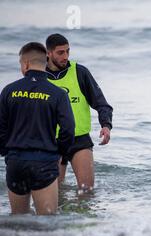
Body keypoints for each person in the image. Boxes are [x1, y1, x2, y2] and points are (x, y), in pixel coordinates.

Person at [0, 42, 75, 215]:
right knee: (48, 221)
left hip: (16, 162)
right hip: (44, 162)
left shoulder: (9, 91)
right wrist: (59, 152)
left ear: (25, 63)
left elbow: (1, 128)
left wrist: (7, 152)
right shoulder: (58, 94)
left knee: (18, 221)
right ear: (46, 63)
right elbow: (68, 129)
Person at [45, 33, 113, 192]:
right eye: (60, 52)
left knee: (87, 192)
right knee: (55, 193)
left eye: (68, 51)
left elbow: (102, 104)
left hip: (79, 139)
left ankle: (81, 218)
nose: (65, 56)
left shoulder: (80, 72)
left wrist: (106, 125)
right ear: (48, 53)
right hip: (50, 141)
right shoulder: (39, 77)